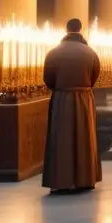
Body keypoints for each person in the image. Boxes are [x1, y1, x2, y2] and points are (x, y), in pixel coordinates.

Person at [42, 17, 102, 193]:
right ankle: (85, 179)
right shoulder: (90, 53)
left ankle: (61, 180)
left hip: (61, 98)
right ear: (80, 29)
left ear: (66, 29)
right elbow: (94, 78)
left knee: (61, 139)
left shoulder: (53, 53)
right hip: (84, 98)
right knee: (84, 138)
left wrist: (62, 88)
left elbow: (48, 79)